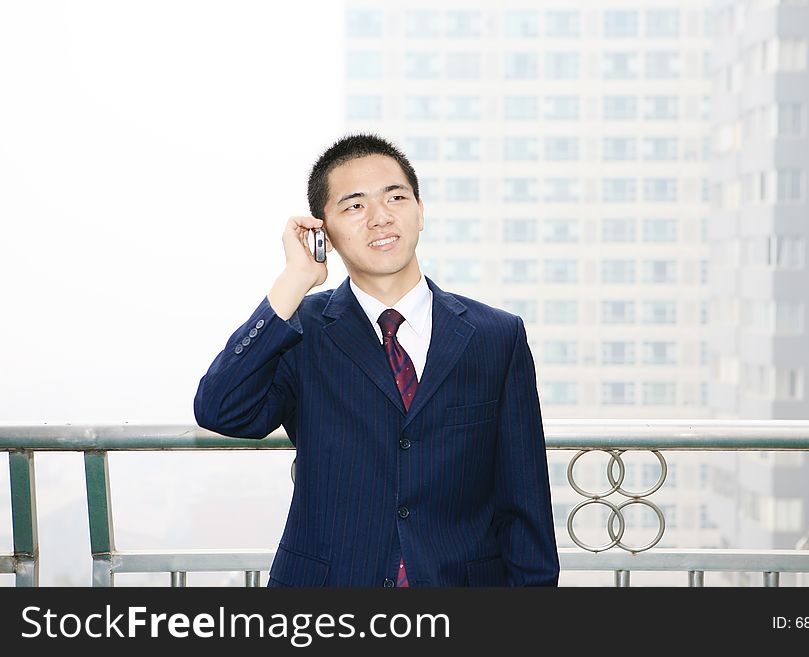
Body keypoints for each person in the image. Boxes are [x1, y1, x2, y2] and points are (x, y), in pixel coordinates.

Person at [193, 133, 559, 587]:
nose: (380, 218)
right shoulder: (301, 331)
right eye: (354, 206)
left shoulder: (495, 337)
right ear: (322, 231)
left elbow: (525, 506)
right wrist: (294, 280)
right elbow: (221, 409)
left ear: (420, 211)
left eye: (396, 197)